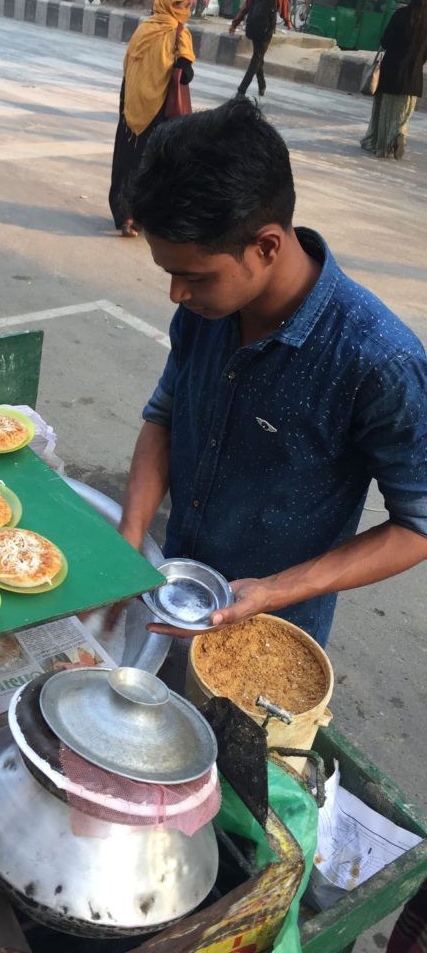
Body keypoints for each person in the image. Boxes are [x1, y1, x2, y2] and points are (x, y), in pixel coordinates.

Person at [119, 99, 427, 648]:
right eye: (168, 273)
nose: (176, 294)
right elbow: (164, 417)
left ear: (265, 245)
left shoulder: (378, 359)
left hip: (273, 627)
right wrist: (131, 534)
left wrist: (274, 590)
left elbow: (416, 525)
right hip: (179, 585)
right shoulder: (204, 312)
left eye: (193, 276)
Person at [109, 0, 195, 237]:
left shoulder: (144, 28)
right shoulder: (179, 34)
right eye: (181, 5)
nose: (186, 10)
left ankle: (126, 215)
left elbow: (129, 68)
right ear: (170, 4)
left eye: (187, 5)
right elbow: (186, 74)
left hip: (131, 108)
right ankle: (142, 217)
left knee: (128, 162)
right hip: (159, 111)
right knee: (155, 166)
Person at [361, 0, 427, 160]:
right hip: (413, 78)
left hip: (391, 73)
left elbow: (385, 41)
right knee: (401, 115)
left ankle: (381, 145)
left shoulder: (401, 14)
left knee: (384, 113)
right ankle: (398, 136)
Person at [230, 0, 292, 98]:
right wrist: (288, 22)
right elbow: (284, 12)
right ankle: (241, 90)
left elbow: (246, 5)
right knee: (257, 57)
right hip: (266, 29)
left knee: (258, 56)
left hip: (252, 26)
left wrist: (235, 23)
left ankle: (262, 85)